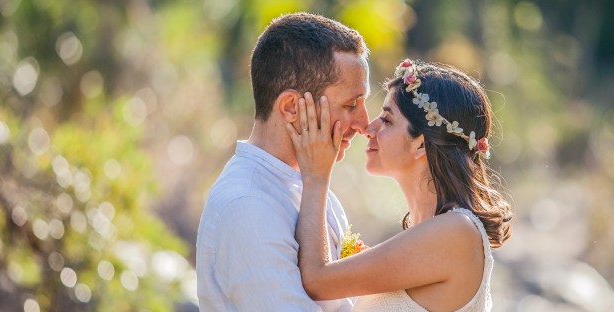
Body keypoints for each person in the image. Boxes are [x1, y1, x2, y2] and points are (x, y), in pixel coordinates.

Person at [287, 59, 513, 311]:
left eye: (386, 119)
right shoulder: (430, 232)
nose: (368, 128)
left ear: (420, 144)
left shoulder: (456, 232)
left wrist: (315, 178)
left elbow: (317, 281)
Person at [196, 12, 370, 311]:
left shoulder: (311, 186)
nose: (364, 123)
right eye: (350, 105)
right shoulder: (246, 205)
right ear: (291, 107)